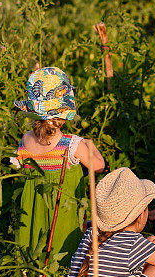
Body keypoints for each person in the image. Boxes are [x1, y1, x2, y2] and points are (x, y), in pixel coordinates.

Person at [13, 66, 105, 264]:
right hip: (62, 215)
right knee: (62, 256)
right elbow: (98, 166)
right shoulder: (72, 145)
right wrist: (91, 146)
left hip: (31, 215)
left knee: (30, 255)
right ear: (63, 114)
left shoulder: (26, 140)